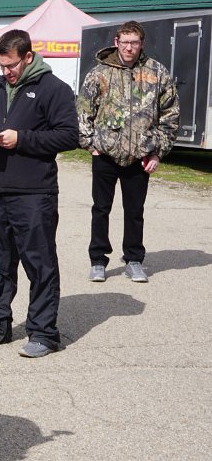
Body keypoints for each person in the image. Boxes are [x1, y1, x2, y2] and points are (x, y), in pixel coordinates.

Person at [0, 29, 79, 358]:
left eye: (11, 65)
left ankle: (43, 333)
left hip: (34, 193)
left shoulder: (54, 89)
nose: (6, 71)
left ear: (28, 57)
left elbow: (70, 136)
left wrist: (22, 138)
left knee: (39, 263)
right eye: (1, 65)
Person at [77, 20, 179, 283]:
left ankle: (134, 260)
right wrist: (90, 144)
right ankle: (98, 260)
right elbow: (83, 110)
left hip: (140, 156)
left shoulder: (157, 72)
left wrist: (157, 152)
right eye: (125, 42)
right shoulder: (99, 73)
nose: (129, 48)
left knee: (135, 211)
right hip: (105, 154)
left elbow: (170, 115)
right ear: (116, 42)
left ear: (141, 44)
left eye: (134, 43)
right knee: (101, 209)